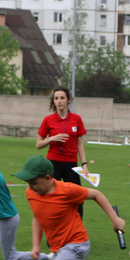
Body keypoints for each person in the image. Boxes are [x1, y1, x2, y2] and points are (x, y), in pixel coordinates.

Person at [36, 86, 90, 219]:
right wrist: (52, 138)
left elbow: (79, 144)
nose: (59, 101)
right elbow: (38, 144)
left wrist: (84, 164)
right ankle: (53, 227)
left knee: (77, 197)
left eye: (62, 98)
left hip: (71, 163)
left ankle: (77, 229)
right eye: (56, 98)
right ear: (53, 101)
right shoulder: (48, 120)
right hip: (53, 163)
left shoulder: (76, 119)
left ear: (68, 100)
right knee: (52, 196)